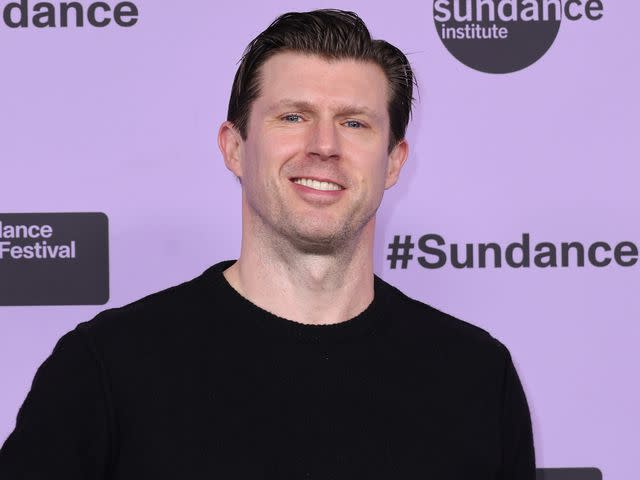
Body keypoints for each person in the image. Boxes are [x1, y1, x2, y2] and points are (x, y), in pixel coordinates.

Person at [0, 9, 535, 479]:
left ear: (394, 162)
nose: (324, 146)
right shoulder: (106, 368)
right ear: (234, 147)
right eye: (293, 117)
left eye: (354, 122)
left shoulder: (477, 377)